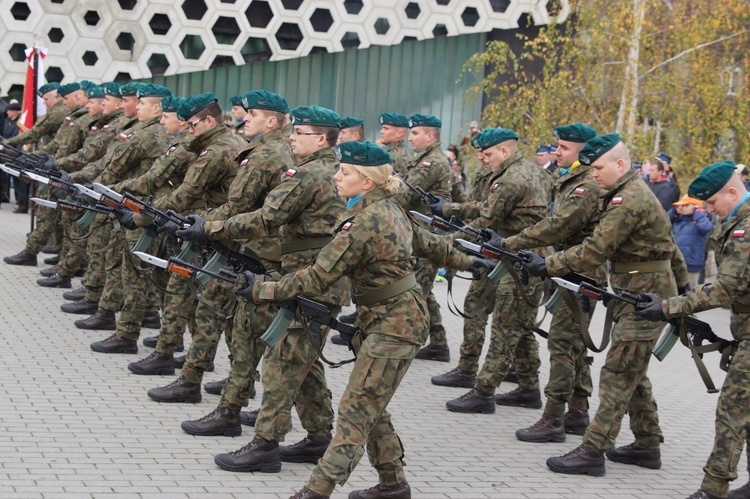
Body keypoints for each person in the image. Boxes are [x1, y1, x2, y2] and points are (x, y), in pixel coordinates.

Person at [234, 140, 481, 499]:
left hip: (395, 326)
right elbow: (432, 245)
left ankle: (316, 491)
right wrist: (474, 263)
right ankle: (393, 485)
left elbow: (317, 277)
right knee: (371, 408)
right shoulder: (390, 209)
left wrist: (261, 290)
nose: (337, 176)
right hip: (391, 320)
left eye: (345, 172)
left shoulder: (364, 223)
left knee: (354, 412)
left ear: (367, 182)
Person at [177, 105, 349, 473]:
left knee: (282, 359)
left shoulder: (307, 175)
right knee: (302, 355)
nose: (292, 136)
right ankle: (319, 436)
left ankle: (266, 444)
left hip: (306, 276)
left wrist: (209, 229)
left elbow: (266, 218)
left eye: (299, 132)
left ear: (321, 138)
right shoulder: (335, 170)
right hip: (319, 275)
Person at [521, 133, 689, 476]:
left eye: (598, 167)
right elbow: (673, 250)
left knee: (617, 372)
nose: (593, 173)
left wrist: (548, 264)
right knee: (632, 371)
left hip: (645, 294)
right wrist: (682, 290)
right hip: (641, 291)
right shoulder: (629, 193)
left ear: (621, 165)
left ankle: (593, 450)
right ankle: (646, 444)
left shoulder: (628, 199)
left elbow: (596, 250)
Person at [636, 160, 750, 499]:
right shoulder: (737, 219)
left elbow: (724, 289)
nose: (710, 210)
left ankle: (713, 490)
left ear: (733, 191)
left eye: (713, 203)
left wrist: (669, 306)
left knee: (732, 409)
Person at [436, 128, 550, 414]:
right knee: (511, 322)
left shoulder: (510, 179)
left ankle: (484, 391)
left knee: (507, 326)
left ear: (504, 151)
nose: (483, 159)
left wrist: (444, 245)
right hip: (511, 257)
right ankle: (527, 388)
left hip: (517, 262)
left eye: (487, 154)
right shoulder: (534, 171)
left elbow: (485, 222)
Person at [502, 123, 604, 443]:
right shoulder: (570, 178)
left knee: (561, 343)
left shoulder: (586, 185)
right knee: (572, 344)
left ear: (583, 151)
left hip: (581, 273)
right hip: (569, 268)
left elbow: (558, 226)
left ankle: (554, 418)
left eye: (563, 148)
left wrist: (514, 241)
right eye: (557, 146)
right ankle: (577, 410)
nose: (556, 152)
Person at [401, 114, 453, 363]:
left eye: (415, 133)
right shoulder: (422, 160)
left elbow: (404, 195)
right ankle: (439, 343)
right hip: (421, 234)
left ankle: (407, 342)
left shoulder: (430, 163)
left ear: (430, 136)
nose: (410, 138)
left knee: (416, 292)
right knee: (423, 290)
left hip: (427, 236)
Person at [669, 195, 713, 288]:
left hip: (692, 262)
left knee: (691, 290)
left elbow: (706, 227)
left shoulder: (701, 219)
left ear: (696, 207)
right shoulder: (678, 220)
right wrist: (674, 212)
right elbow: (664, 221)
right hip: (676, 263)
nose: (682, 208)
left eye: (686, 205)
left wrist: (697, 213)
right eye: (681, 206)